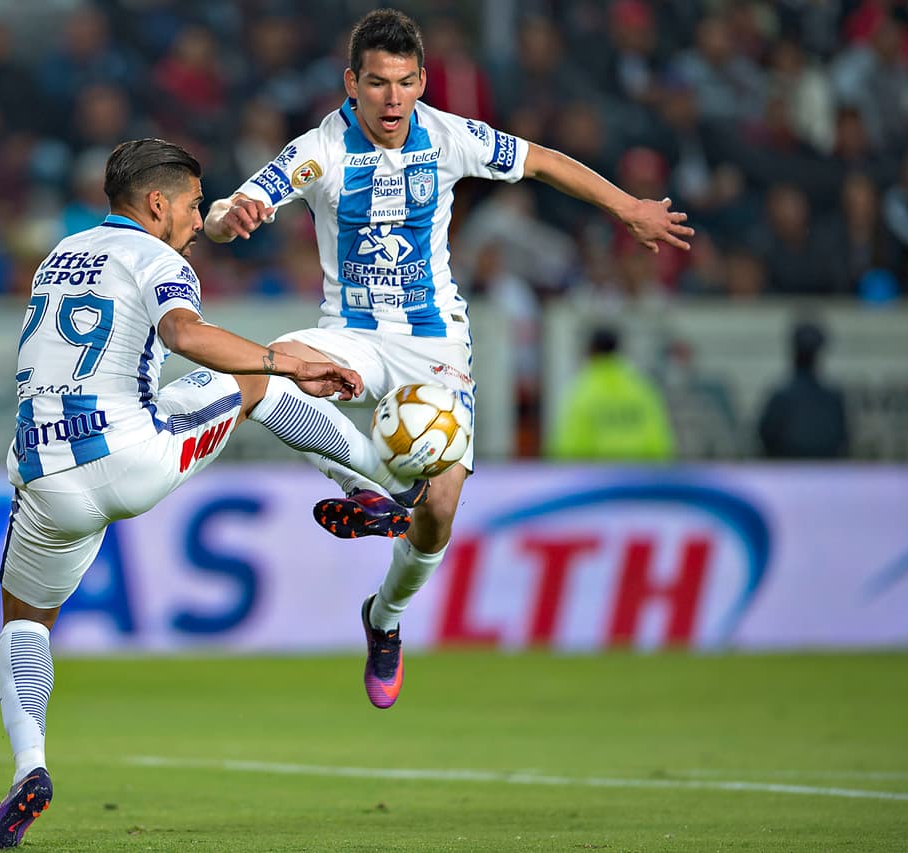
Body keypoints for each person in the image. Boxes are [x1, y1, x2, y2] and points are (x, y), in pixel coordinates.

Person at [203, 9, 692, 711]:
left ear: (424, 81)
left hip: (434, 345)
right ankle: (369, 488)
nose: (392, 99)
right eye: (377, 83)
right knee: (255, 371)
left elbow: (543, 161)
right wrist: (229, 217)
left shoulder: (450, 135)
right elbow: (238, 204)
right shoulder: (320, 149)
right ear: (351, 83)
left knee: (437, 512)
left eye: (405, 82)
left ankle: (385, 618)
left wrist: (626, 208)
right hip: (351, 332)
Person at [0, 137, 426, 849]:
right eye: (191, 204)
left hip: (43, 473)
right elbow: (185, 333)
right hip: (129, 455)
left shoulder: (60, 253)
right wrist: (284, 361)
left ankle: (29, 767)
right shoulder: (160, 259)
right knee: (257, 376)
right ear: (156, 203)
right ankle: (373, 483)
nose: (197, 218)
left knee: (24, 624)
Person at [548, 326, 675, 461]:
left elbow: (569, 444)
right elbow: (659, 439)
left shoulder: (582, 391)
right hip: (638, 471)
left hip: (596, 472)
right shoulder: (641, 388)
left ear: (591, 351)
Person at [757, 321, 849, 459]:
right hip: (823, 470)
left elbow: (765, 437)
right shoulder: (833, 399)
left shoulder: (780, 398)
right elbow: (843, 441)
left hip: (786, 469)